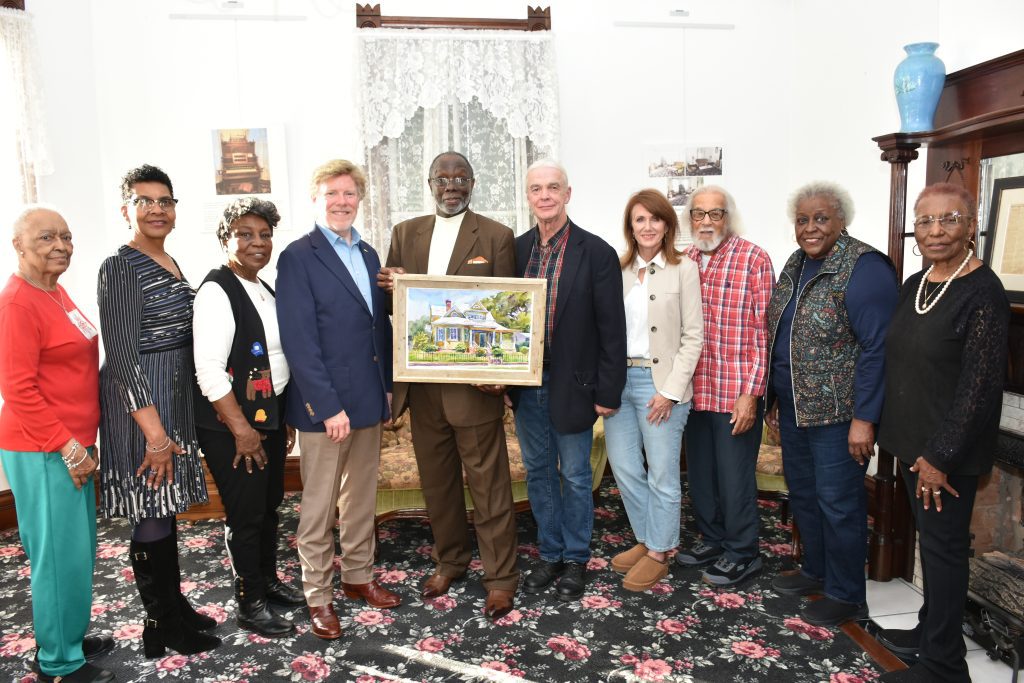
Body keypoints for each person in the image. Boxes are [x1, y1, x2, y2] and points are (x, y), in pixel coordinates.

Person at [376, 152, 519, 621]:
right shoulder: (405, 233)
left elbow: (510, 311)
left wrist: (499, 375)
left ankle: (500, 579)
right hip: (422, 386)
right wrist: (389, 284)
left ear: (473, 183)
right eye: (443, 178)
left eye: (461, 178)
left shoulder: (496, 236)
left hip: (473, 386)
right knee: (438, 486)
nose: (451, 185)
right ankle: (451, 561)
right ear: (430, 183)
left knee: (489, 487)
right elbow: (397, 305)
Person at [876, 183, 1008, 683]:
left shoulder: (984, 292)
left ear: (969, 225)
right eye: (925, 221)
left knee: (944, 552)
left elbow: (978, 389)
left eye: (948, 219)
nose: (935, 231)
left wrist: (939, 456)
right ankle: (934, 630)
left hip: (944, 457)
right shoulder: (918, 283)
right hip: (913, 445)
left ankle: (945, 667)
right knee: (931, 547)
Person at [98, 165, 221, 658]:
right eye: (144, 200)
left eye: (165, 201)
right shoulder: (120, 266)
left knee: (164, 507)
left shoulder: (168, 259)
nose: (156, 209)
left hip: (171, 398)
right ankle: (160, 624)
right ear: (125, 209)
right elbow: (123, 356)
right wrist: (154, 435)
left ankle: (173, 606)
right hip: (141, 406)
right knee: (151, 508)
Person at [765, 181, 898, 626]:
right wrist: (774, 399)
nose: (810, 228)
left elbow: (878, 347)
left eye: (820, 218)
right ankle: (816, 571)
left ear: (842, 219)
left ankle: (846, 594)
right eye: (802, 220)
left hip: (840, 416)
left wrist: (865, 418)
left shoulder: (864, 266)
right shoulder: (795, 262)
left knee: (839, 502)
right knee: (805, 495)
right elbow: (779, 332)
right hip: (795, 408)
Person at [276, 159, 398, 641]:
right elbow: (300, 340)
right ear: (315, 199)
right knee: (319, 507)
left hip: (369, 398)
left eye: (349, 194)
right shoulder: (297, 256)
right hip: (324, 407)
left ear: (359, 199)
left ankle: (358, 577)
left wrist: (388, 386)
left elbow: (375, 329)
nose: (341, 201)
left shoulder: (369, 254)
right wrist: (328, 407)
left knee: (360, 498)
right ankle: (318, 596)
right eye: (332, 193)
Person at [0, 207, 114, 682]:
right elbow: (17, 388)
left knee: (76, 550)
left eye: (66, 236)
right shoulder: (18, 303)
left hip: (73, 444)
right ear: (19, 246)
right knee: (55, 556)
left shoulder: (55, 291)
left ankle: (67, 632)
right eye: (46, 237)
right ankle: (59, 663)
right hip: (44, 449)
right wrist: (68, 448)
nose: (61, 246)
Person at [509, 159, 626, 602]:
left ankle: (576, 558)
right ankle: (551, 552)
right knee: (538, 472)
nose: (545, 196)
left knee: (575, 475)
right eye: (536, 188)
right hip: (527, 384)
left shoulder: (596, 253)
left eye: (553, 187)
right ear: (528, 196)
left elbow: (612, 329)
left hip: (574, 384)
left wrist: (607, 392)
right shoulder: (515, 251)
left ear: (567, 193)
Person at [193, 197, 304, 638]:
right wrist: (243, 430)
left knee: (269, 505)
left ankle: (268, 581)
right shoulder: (217, 291)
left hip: (269, 417)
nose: (257, 242)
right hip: (231, 427)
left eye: (264, 234)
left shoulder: (263, 285)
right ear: (226, 239)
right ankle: (249, 603)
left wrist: (282, 417)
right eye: (245, 234)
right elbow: (209, 370)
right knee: (245, 514)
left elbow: (276, 358)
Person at [604, 190, 703, 592]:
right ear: (631, 226)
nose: (647, 227)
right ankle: (648, 538)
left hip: (660, 385)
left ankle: (660, 551)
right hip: (619, 383)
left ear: (667, 225)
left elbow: (693, 337)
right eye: (639, 220)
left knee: (662, 473)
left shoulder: (684, 269)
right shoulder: (618, 268)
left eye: (654, 219)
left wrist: (671, 392)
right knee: (626, 469)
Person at [675, 185, 774, 587]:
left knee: (735, 478)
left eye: (715, 214)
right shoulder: (684, 261)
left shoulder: (754, 259)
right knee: (700, 475)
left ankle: (742, 551)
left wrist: (752, 394)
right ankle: (713, 539)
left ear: (728, 217)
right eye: (699, 214)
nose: (706, 222)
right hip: (695, 391)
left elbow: (763, 333)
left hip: (737, 392)